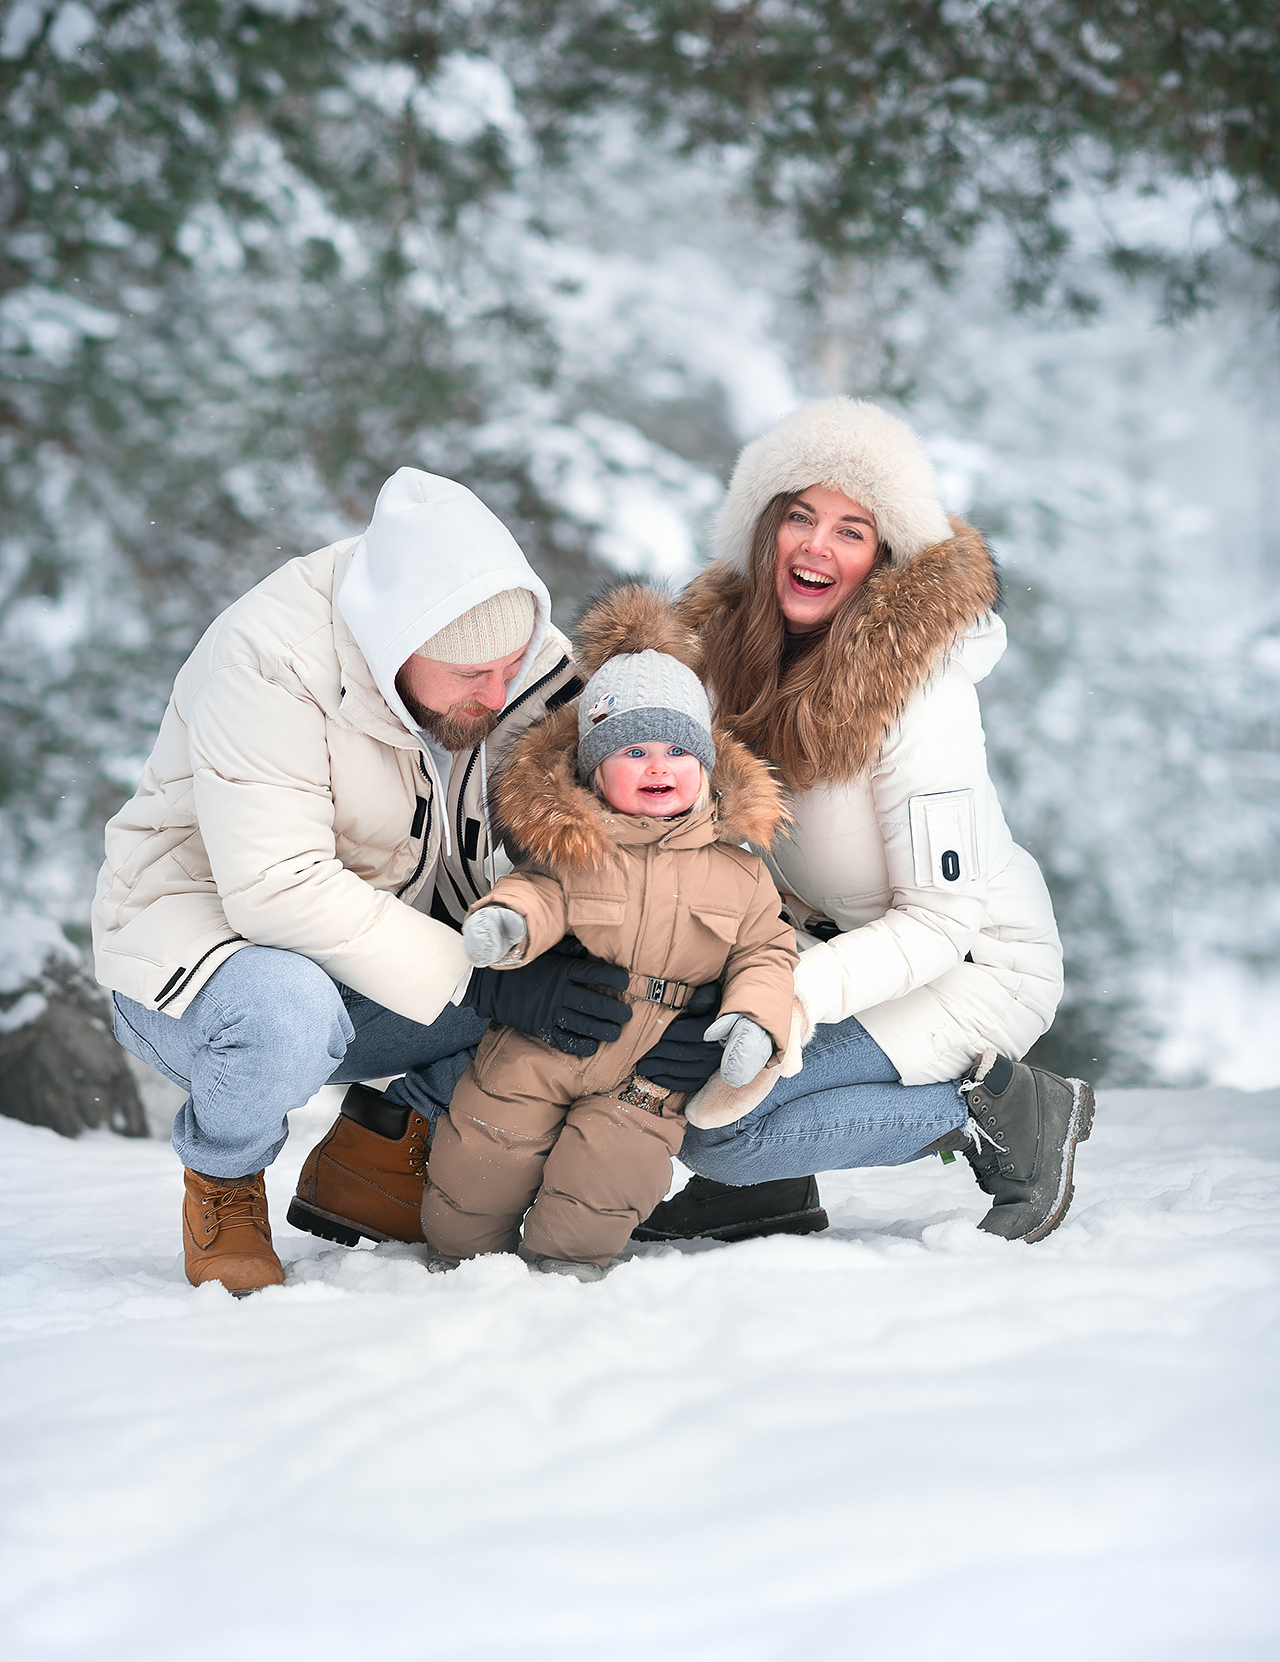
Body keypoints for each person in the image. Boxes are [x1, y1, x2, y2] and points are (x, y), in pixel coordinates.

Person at [92, 467, 642, 1292]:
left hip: (384, 959)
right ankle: (225, 1178)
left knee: (596, 986)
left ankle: (380, 1152)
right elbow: (277, 887)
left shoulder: (510, 659)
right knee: (286, 1010)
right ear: (396, 647)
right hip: (206, 970)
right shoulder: (267, 658)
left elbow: (597, 817)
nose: (499, 694)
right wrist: (486, 986)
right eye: (469, 678)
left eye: (510, 666)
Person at [632, 397, 1093, 1248]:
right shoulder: (725, 659)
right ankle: (765, 1196)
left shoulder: (922, 694)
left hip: (971, 962)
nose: (816, 544)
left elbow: (940, 920)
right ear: (762, 529)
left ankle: (1006, 1112)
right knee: (661, 1045)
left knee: (720, 1127)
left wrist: (784, 1003)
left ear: (882, 557)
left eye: (851, 529)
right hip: (827, 943)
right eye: (800, 516)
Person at [419, 586, 799, 1279]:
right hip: (541, 1045)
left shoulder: (739, 871)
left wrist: (755, 1021)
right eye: (634, 751)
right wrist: (508, 926)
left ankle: (568, 1269)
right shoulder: (575, 843)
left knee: (605, 1181)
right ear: (595, 766)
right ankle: (458, 1258)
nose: (659, 766)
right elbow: (538, 893)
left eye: (678, 751)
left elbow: (767, 951)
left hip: (650, 1073)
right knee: (478, 1161)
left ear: (707, 765)